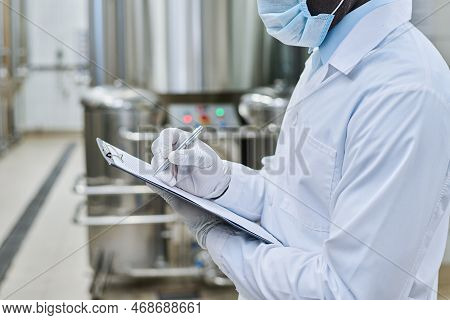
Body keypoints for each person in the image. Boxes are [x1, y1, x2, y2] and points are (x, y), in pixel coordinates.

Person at [149, 0, 450, 299]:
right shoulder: (328, 55)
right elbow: (290, 198)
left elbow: (349, 295)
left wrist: (217, 238)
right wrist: (221, 184)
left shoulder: (405, 91)